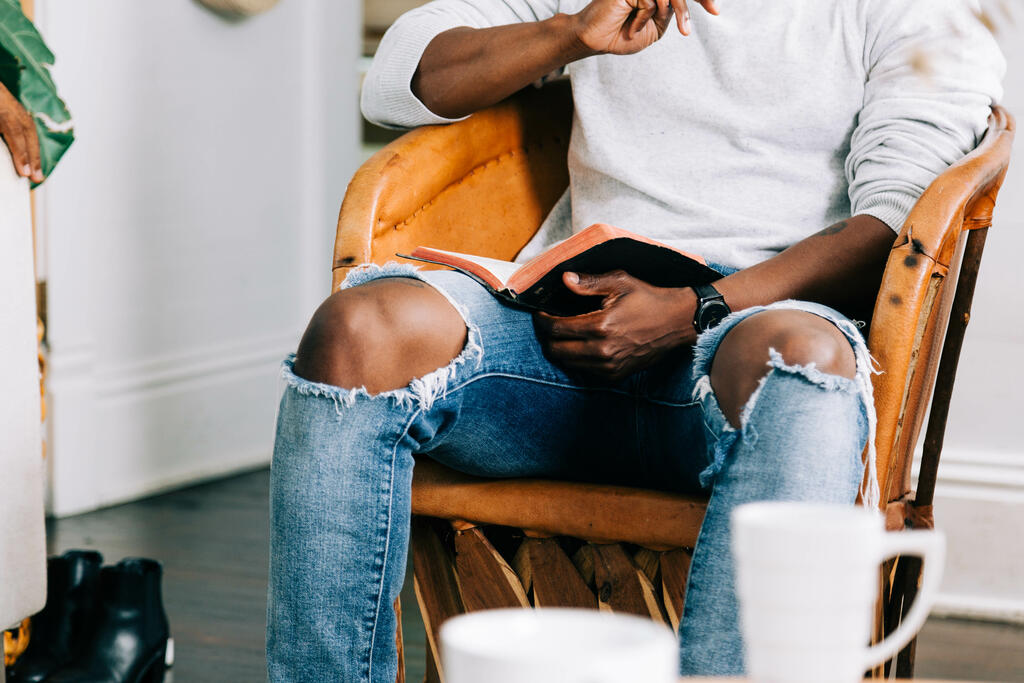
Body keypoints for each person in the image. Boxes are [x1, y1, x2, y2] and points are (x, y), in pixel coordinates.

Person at [266, 1, 1003, 680]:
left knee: (804, 365)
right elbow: (396, 81)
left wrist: (697, 308)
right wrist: (569, 32)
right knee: (354, 334)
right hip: (563, 337)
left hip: (745, 335)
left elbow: (897, 226)